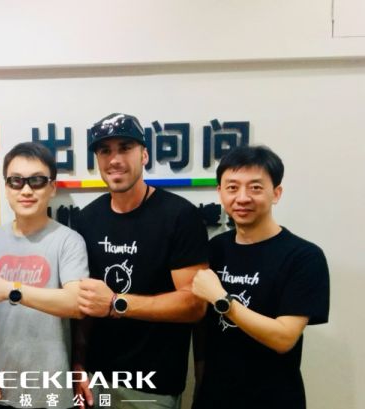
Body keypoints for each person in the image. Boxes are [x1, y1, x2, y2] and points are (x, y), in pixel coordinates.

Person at [74, 113, 209, 409]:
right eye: (105, 151)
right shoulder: (87, 219)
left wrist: (116, 303)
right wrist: (79, 363)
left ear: (144, 155)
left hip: (154, 386)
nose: (114, 159)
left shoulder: (179, 216)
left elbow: (194, 304)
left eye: (125, 148)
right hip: (96, 380)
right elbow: (85, 303)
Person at [191, 145, 330, 409]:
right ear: (220, 192)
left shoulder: (304, 256)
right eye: (232, 187)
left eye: (255, 187)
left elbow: (283, 338)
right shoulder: (215, 249)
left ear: (276, 193)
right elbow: (202, 329)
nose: (242, 198)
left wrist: (221, 300)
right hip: (214, 396)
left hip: (274, 399)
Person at [0, 142, 89, 409]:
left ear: (52, 187)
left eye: (36, 181)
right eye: (16, 181)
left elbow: (75, 304)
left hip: (52, 390)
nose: (26, 190)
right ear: (6, 188)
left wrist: (11, 290)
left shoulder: (68, 241)